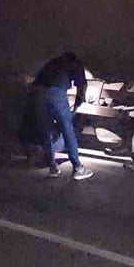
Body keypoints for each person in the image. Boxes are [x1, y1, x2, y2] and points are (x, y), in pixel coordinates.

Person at [33, 51, 93, 180]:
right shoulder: (76, 63)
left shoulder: (53, 62)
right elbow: (82, 86)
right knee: (67, 129)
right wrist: (78, 103)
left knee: (46, 130)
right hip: (56, 93)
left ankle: (52, 168)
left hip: (37, 93)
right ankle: (78, 168)